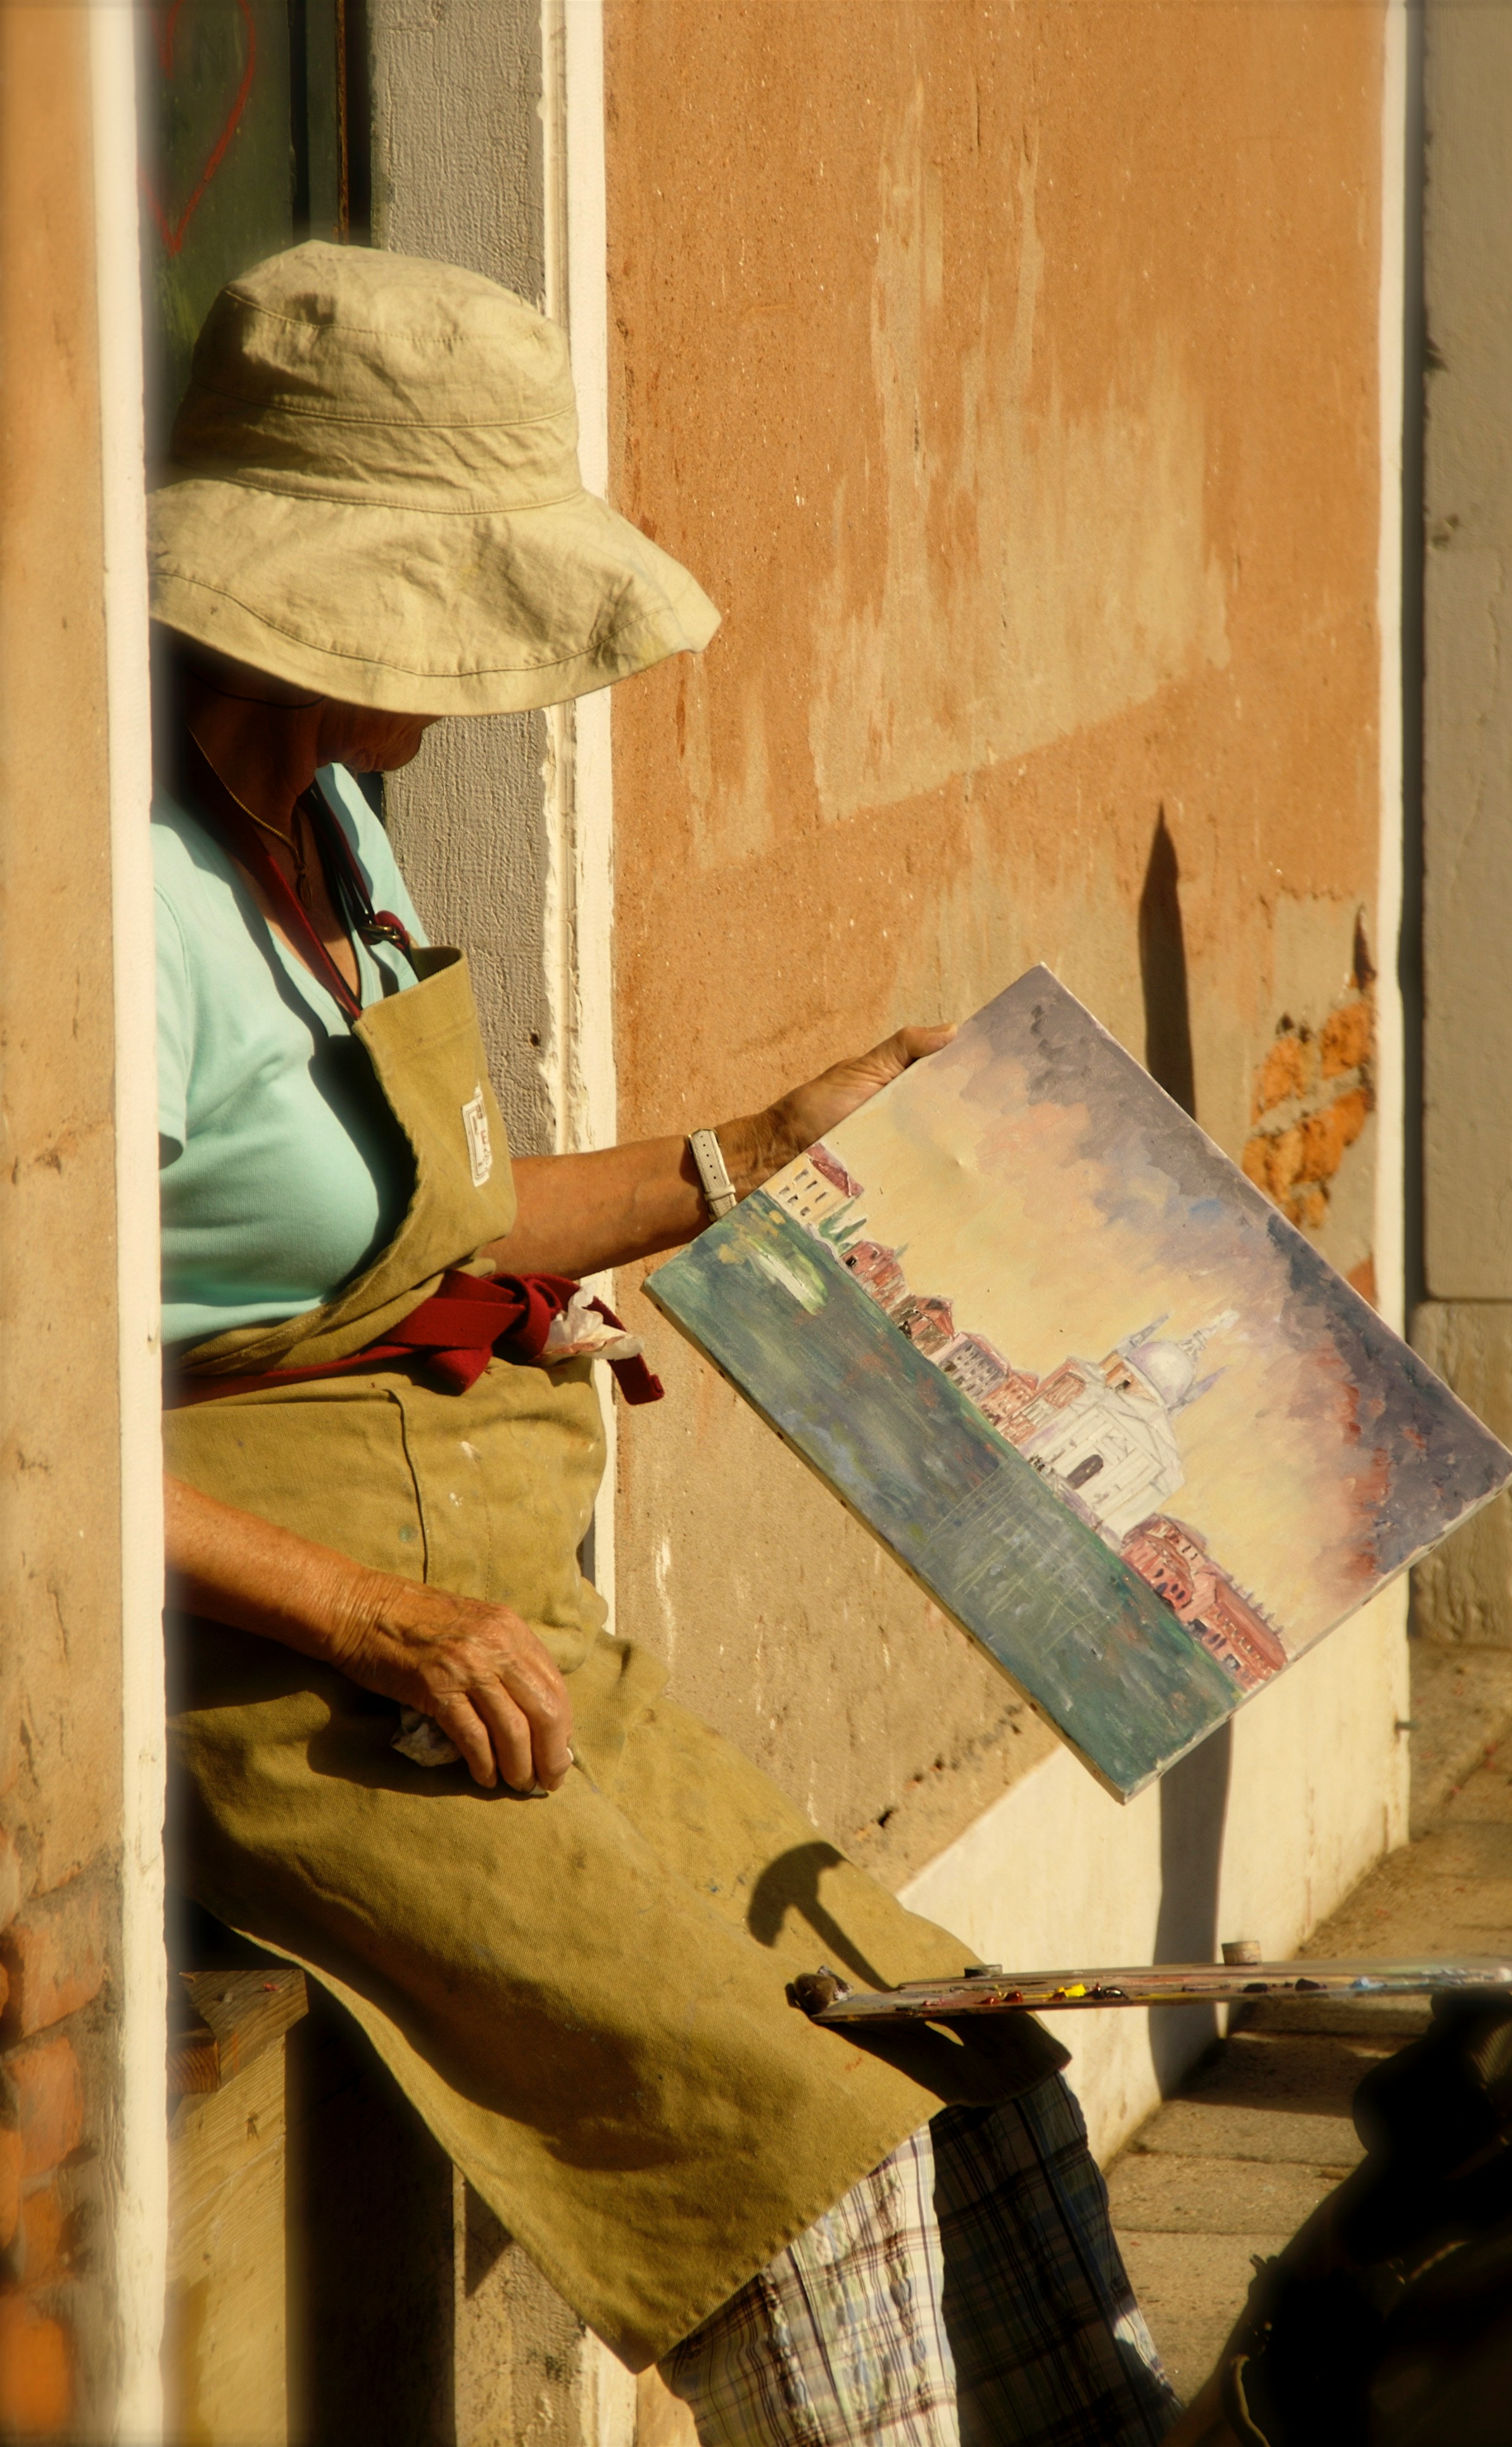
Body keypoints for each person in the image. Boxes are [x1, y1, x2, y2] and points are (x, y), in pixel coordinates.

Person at [153, 241, 1177, 2447]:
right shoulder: (98, 896)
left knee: (955, 2052)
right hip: (269, 1664)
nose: (462, 683)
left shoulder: (318, 801)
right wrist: (375, 1614)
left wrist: (748, 1155)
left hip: (483, 1616)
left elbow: (395, 1224)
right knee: (795, 2162)